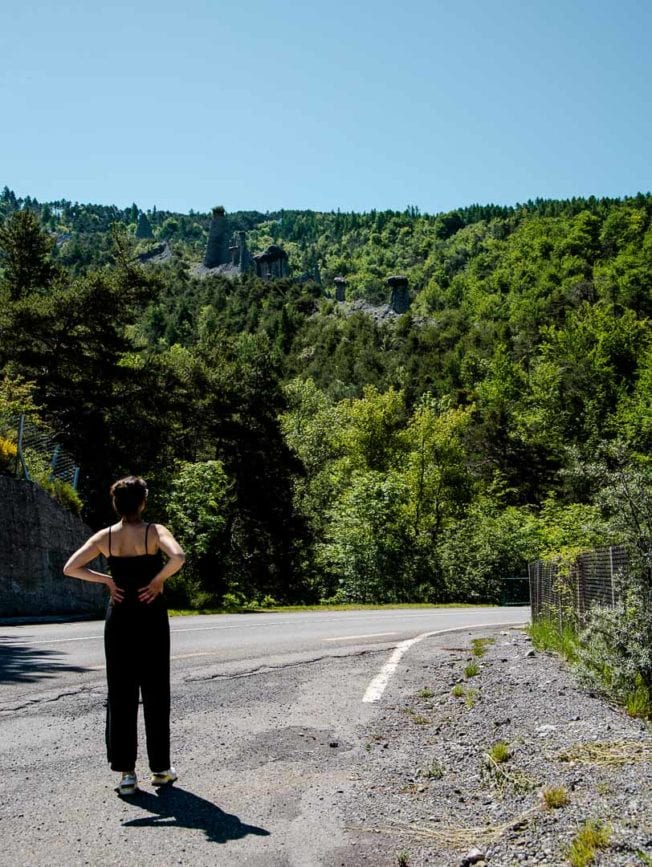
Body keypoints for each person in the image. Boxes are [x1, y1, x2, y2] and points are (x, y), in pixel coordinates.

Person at [64, 475, 185, 796]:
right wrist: (158, 580)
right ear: (143, 502)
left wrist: (106, 580)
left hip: (119, 618)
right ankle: (160, 769)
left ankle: (127, 775)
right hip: (151, 616)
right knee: (156, 690)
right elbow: (179, 557)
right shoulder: (155, 532)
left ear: (116, 504)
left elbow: (71, 568)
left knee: (121, 692)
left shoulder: (105, 536)